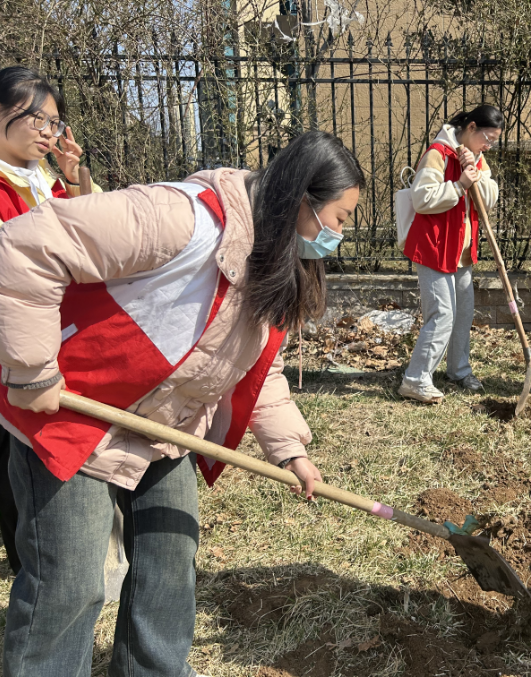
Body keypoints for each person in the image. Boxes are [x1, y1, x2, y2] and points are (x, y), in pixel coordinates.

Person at [0, 130, 364, 677]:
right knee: (70, 582)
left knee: (169, 564)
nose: (340, 233)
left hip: (166, 425)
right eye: (340, 217)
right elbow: (27, 244)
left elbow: (256, 366)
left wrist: (291, 451)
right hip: (74, 413)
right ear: (301, 201)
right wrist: (33, 370)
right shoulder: (182, 217)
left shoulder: (272, 257)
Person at [0, 65, 100, 575]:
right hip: (13, 337)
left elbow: (91, 236)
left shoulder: (44, 180)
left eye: (55, 122)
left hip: (55, 330)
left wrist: (75, 176)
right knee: (10, 446)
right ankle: (27, 560)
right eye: (35, 118)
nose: (48, 131)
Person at [399, 105, 501, 404]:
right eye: (487, 138)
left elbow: (488, 199)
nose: (488, 145)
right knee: (442, 314)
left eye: (494, 141)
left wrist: (476, 175)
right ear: (471, 128)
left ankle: (458, 370)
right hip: (434, 247)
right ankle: (415, 380)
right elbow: (421, 198)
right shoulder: (438, 154)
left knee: (462, 315)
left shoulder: (477, 157)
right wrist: (459, 186)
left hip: (461, 251)